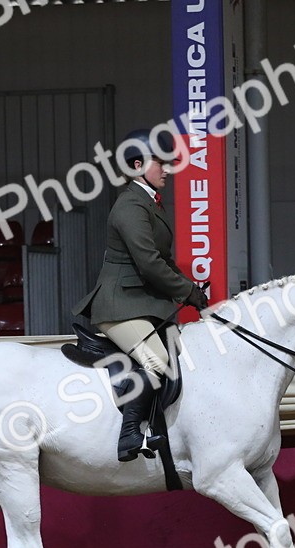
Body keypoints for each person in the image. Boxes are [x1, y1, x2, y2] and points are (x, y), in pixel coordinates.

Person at [72, 128, 209, 462]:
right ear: (137, 164)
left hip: (141, 304)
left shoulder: (148, 202)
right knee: (156, 362)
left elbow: (163, 260)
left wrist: (190, 287)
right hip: (120, 306)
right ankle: (130, 435)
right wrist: (187, 291)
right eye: (160, 163)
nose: (166, 169)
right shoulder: (130, 207)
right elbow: (148, 264)